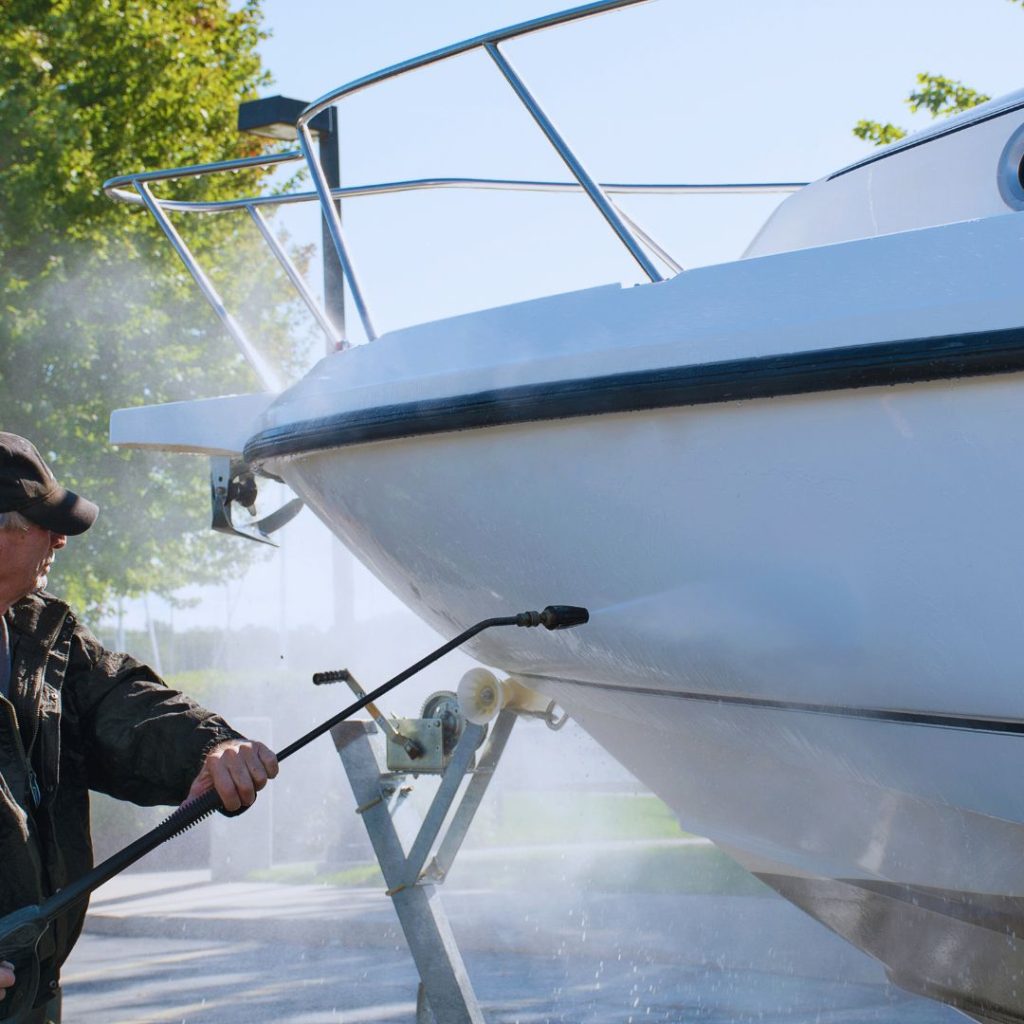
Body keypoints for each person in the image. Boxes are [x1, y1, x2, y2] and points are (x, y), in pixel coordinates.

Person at [0, 433, 278, 1023]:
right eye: (44, 524)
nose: (60, 540)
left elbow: (119, 704)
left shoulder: (39, 637)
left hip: (30, 995)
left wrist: (212, 748)